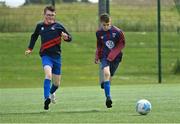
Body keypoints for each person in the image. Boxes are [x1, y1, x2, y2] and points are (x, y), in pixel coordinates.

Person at [25, 6, 72, 110]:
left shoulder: (59, 26)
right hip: (46, 56)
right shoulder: (40, 26)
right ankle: (46, 98)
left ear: (54, 15)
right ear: (44, 15)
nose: (50, 17)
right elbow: (34, 36)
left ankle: (51, 93)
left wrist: (66, 37)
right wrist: (30, 48)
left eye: (52, 15)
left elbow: (70, 38)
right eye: (48, 15)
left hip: (57, 57)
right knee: (48, 75)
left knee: (56, 84)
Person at [95, 13, 125, 108]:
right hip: (104, 57)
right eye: (104, 25)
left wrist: (113, 54)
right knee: (106, 74)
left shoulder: (117, 32)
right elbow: (99, 45)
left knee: (110, 75)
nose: (106, 27)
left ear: (110, 23)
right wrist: (97, 55)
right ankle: (108, 98)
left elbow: (122, 44)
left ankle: (105, 83)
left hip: (116, 58)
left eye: (108, 25)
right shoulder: (99, 33)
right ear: (101, 23)